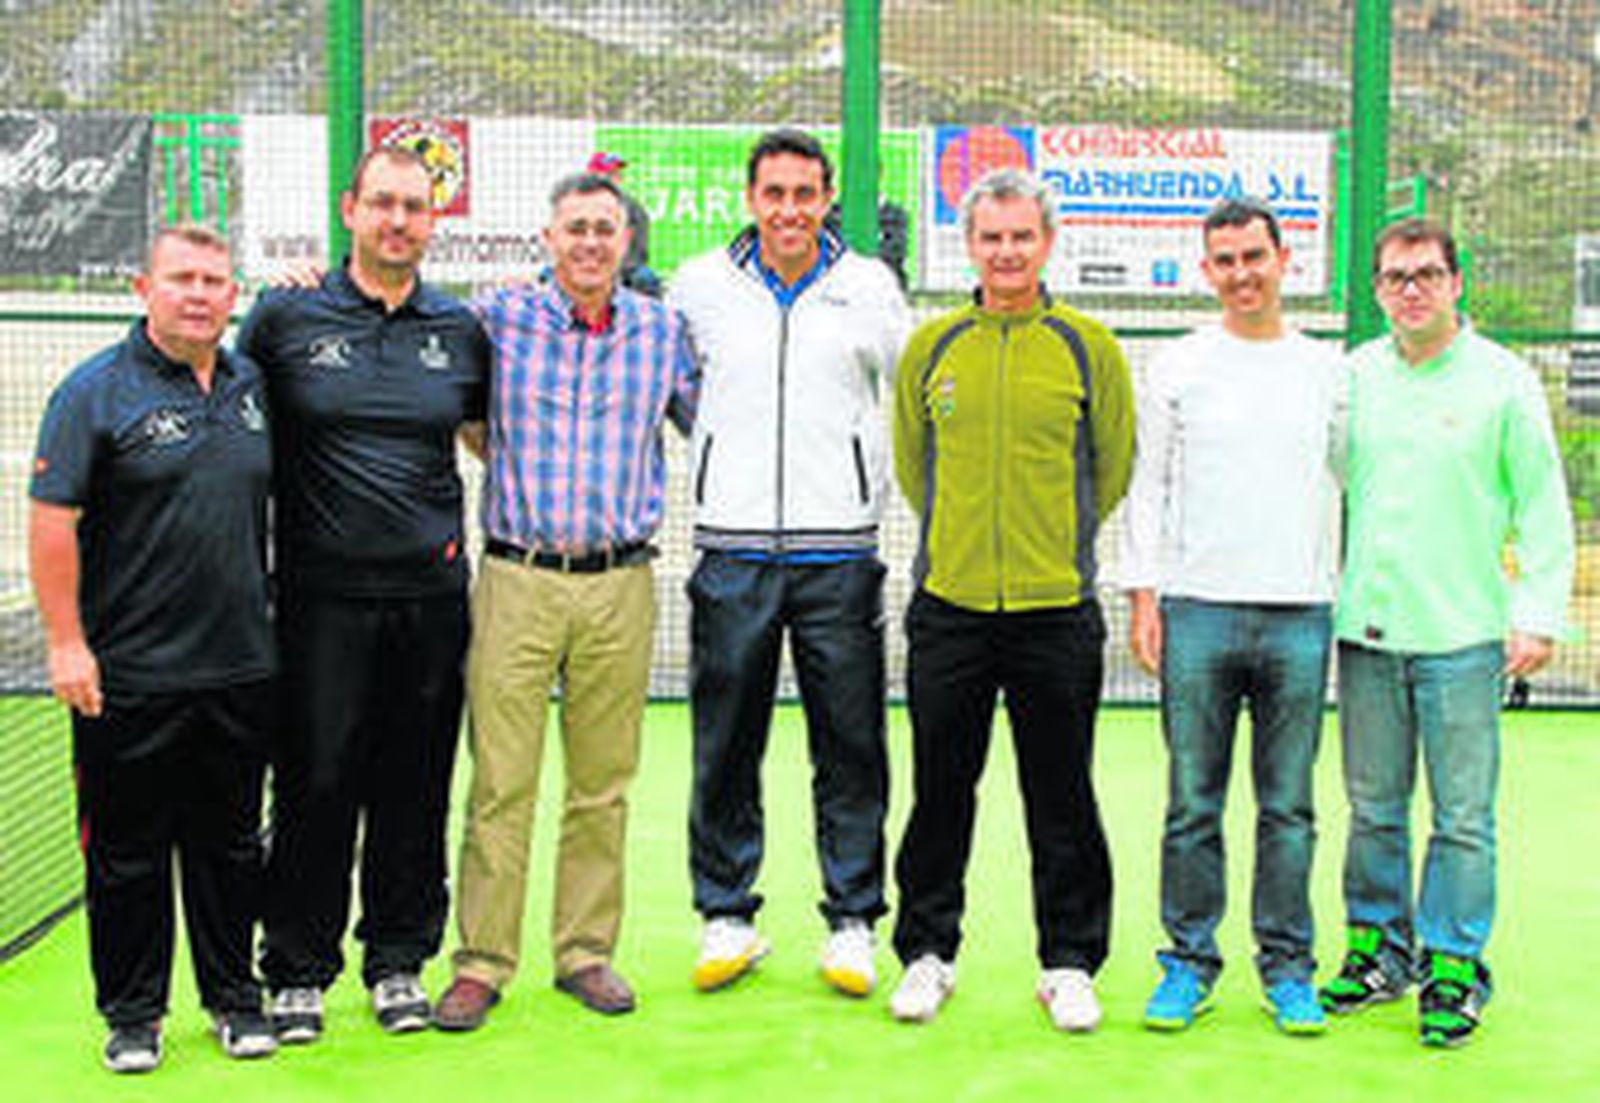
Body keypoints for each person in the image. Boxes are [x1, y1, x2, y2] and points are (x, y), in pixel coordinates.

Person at [431, 171, 698, 1030]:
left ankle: (584, 952)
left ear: (627, 242)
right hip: (516, 578)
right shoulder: (496, 319)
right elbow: (464, 417)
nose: (590, 242)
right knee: (501, 781)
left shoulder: (663, 333)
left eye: (605, 229)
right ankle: (481, 962)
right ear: (548, 238)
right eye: (576, 227)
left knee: (601, 784)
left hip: (621, 582)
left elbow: (711, 421)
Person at [237, 146, 491, 1042]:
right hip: (318, 600)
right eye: (382, 203)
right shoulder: (284, 316)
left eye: (414, 208)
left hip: (431, 601)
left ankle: (397, 959)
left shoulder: (460, 328)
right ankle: (298, 968)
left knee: (415, 783)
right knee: (315, 778)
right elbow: (228, 423)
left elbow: (488, 439)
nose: (397, 220)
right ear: (350, 208)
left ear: (433, 221)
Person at [888, 168, 1134, 1030]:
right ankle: (927, 951)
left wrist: (1040, 544)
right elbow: (916, 467)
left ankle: (1068, 961)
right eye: (991, 238)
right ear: (971, 245)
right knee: (940, 788)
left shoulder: (1086, 347)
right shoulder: (932, 346)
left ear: (1047, 242)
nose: (1006, 251)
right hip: (949, 608)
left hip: (1056, 611)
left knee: (1061, 793)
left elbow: (1111, 466)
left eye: (1021, 236)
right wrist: (968, 542)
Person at [1319, 218, 1574, 1048]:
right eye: (1394, 278)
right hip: (1368, 633)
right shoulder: (1353, 376)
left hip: (1466, 635)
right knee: (1373, 808)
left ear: (1457, 282)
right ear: (1379, 290)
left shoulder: (1505, 381)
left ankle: (1454, 963)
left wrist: (1535, 613)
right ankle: (1377, 953)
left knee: (1463, 814)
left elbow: (1541, 504)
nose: (1411, 290)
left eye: (1426, 274)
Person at [29, 225, 277, 1072]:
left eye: (214, 280)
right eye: (182, 279)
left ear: (231, 293)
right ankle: (133, 1014)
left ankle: (234, 999)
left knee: (232, 845)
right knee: (127, 855)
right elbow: (51, 522)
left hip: (242, 665)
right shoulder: (92, 392)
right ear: (144, 288)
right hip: (128, 674)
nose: (200, 294)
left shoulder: (252, 382)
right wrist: (67, 643)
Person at [668, 128, 909, 998]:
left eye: (806, 194)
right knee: (725, 738)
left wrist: (866, 477)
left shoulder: (868, 285)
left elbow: (909, 392)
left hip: (839, 549)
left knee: (849, 741)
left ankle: (851, 922)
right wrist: (713, 449)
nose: (789, 211)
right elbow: (663, 373)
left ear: (825, 197)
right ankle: (726, 912)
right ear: (750, 196)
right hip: (729, 547)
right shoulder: (698, 285)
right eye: (774, 193)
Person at [1119, 197, 1346, 1036]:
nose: (1242, 273)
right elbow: (1149, 485)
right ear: (1206, 269)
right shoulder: (1177, 365)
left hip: (1300, 614)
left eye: (1255, 255)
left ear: (1285, 258)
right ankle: (1188, 960)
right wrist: (1145, 594)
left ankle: (1288, 967)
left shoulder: (1331, 370)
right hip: (1197, 612)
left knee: (1289, 807)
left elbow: (1360, 481)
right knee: (1192, 802)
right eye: (1226, 259)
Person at [587, 150, 661, 297]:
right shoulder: (574, 205)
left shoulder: (633, 208)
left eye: (617, 174)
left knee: (645, 278)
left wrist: (615, 269)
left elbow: (638, 251)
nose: (615, 178)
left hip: (624, 268)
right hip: (585, 264)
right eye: (609, 174)